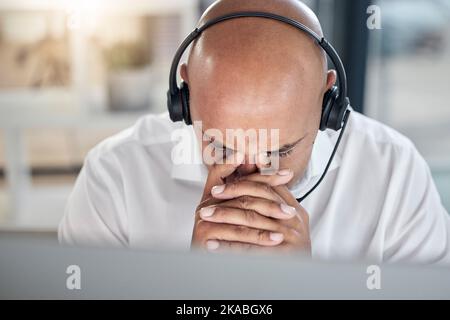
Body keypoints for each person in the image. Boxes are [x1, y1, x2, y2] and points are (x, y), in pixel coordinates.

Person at [58, 0, 450, 265]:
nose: (249, 173)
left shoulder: (394, 172)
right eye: (222, 146)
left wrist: (308, 286)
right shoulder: (115, 175)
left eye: (279, 151)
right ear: (185, 97)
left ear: (326, 104)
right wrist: (192, 286)